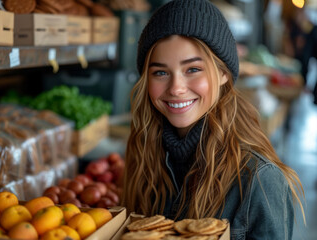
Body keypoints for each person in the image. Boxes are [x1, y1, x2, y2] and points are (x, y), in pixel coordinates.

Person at [121, 0, 305, 239]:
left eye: (193, 69)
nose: (176, 88)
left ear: (223, 73)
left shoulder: (260, 179)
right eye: (161, 73)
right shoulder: (144, 156)